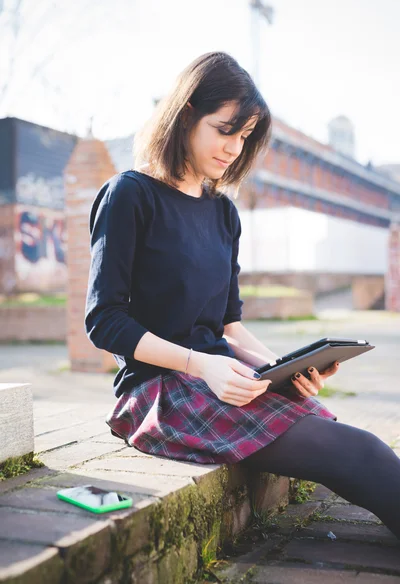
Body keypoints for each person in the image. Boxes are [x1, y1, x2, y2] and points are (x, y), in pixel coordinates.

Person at [85, 51, 400, 539]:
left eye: (245, 136)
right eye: (224, 129)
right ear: (185, 114)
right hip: (159, 392)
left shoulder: (222, 213)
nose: (234, 147)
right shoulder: (129, 194)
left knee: (352, 445)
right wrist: (200, 364)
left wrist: (289, 368)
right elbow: (105, 322)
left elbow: (228, 327)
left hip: (225, 378)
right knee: (359, 453)